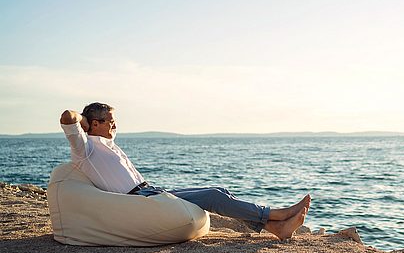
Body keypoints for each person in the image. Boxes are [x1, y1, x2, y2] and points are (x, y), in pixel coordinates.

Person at [59, 102, 310, 240]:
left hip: (151, 191)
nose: (115, 125)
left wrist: (96, 121)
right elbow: (67, 117)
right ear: (94, 124)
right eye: (109, 121)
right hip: (139, 200)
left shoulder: (107, 145)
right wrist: (84, 119)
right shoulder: (84, 148)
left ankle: (274, 228)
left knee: (219, 191)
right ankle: (278, 214)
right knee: (213, 197)